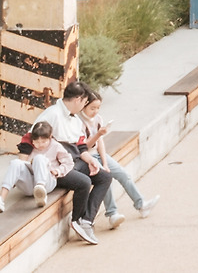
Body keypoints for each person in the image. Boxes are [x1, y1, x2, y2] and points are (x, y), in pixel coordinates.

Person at [35, 81, 111, 241]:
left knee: (104, 177)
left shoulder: (75, 119)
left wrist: (90, 160)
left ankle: (86, 221)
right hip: (57, 166)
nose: (84, 105)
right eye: (84, 102)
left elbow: (81, 146)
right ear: (78, 99)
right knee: (83, 182)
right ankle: (76, 220)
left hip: (74, 161)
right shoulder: (52, 115)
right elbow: (31, 138)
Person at [0, 120, 93, 243]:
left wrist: (58, 171)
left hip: (47, 181)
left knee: (39, 158)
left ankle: (40, 191)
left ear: (50, 137)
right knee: (16, 163)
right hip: (30, 184)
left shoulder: (55, 146)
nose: (40, 145)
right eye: (36, 142)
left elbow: (69, 162)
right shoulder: (30, 147)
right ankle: (1, 198)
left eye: (43, 142)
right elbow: (22, 165)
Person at [80, 89, 159, 227]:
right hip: (86, 158)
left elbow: (100, 143)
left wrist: (105, 162)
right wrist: (98, 134)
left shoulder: (98, 119)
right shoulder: (78, 122)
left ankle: (141, 204)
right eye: (92, 108)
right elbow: (83, 147)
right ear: (84, 105)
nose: (96, 111)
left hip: (98, 154)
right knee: (105, 179)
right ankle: (112, 214)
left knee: (123, 174)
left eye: (98, 108)